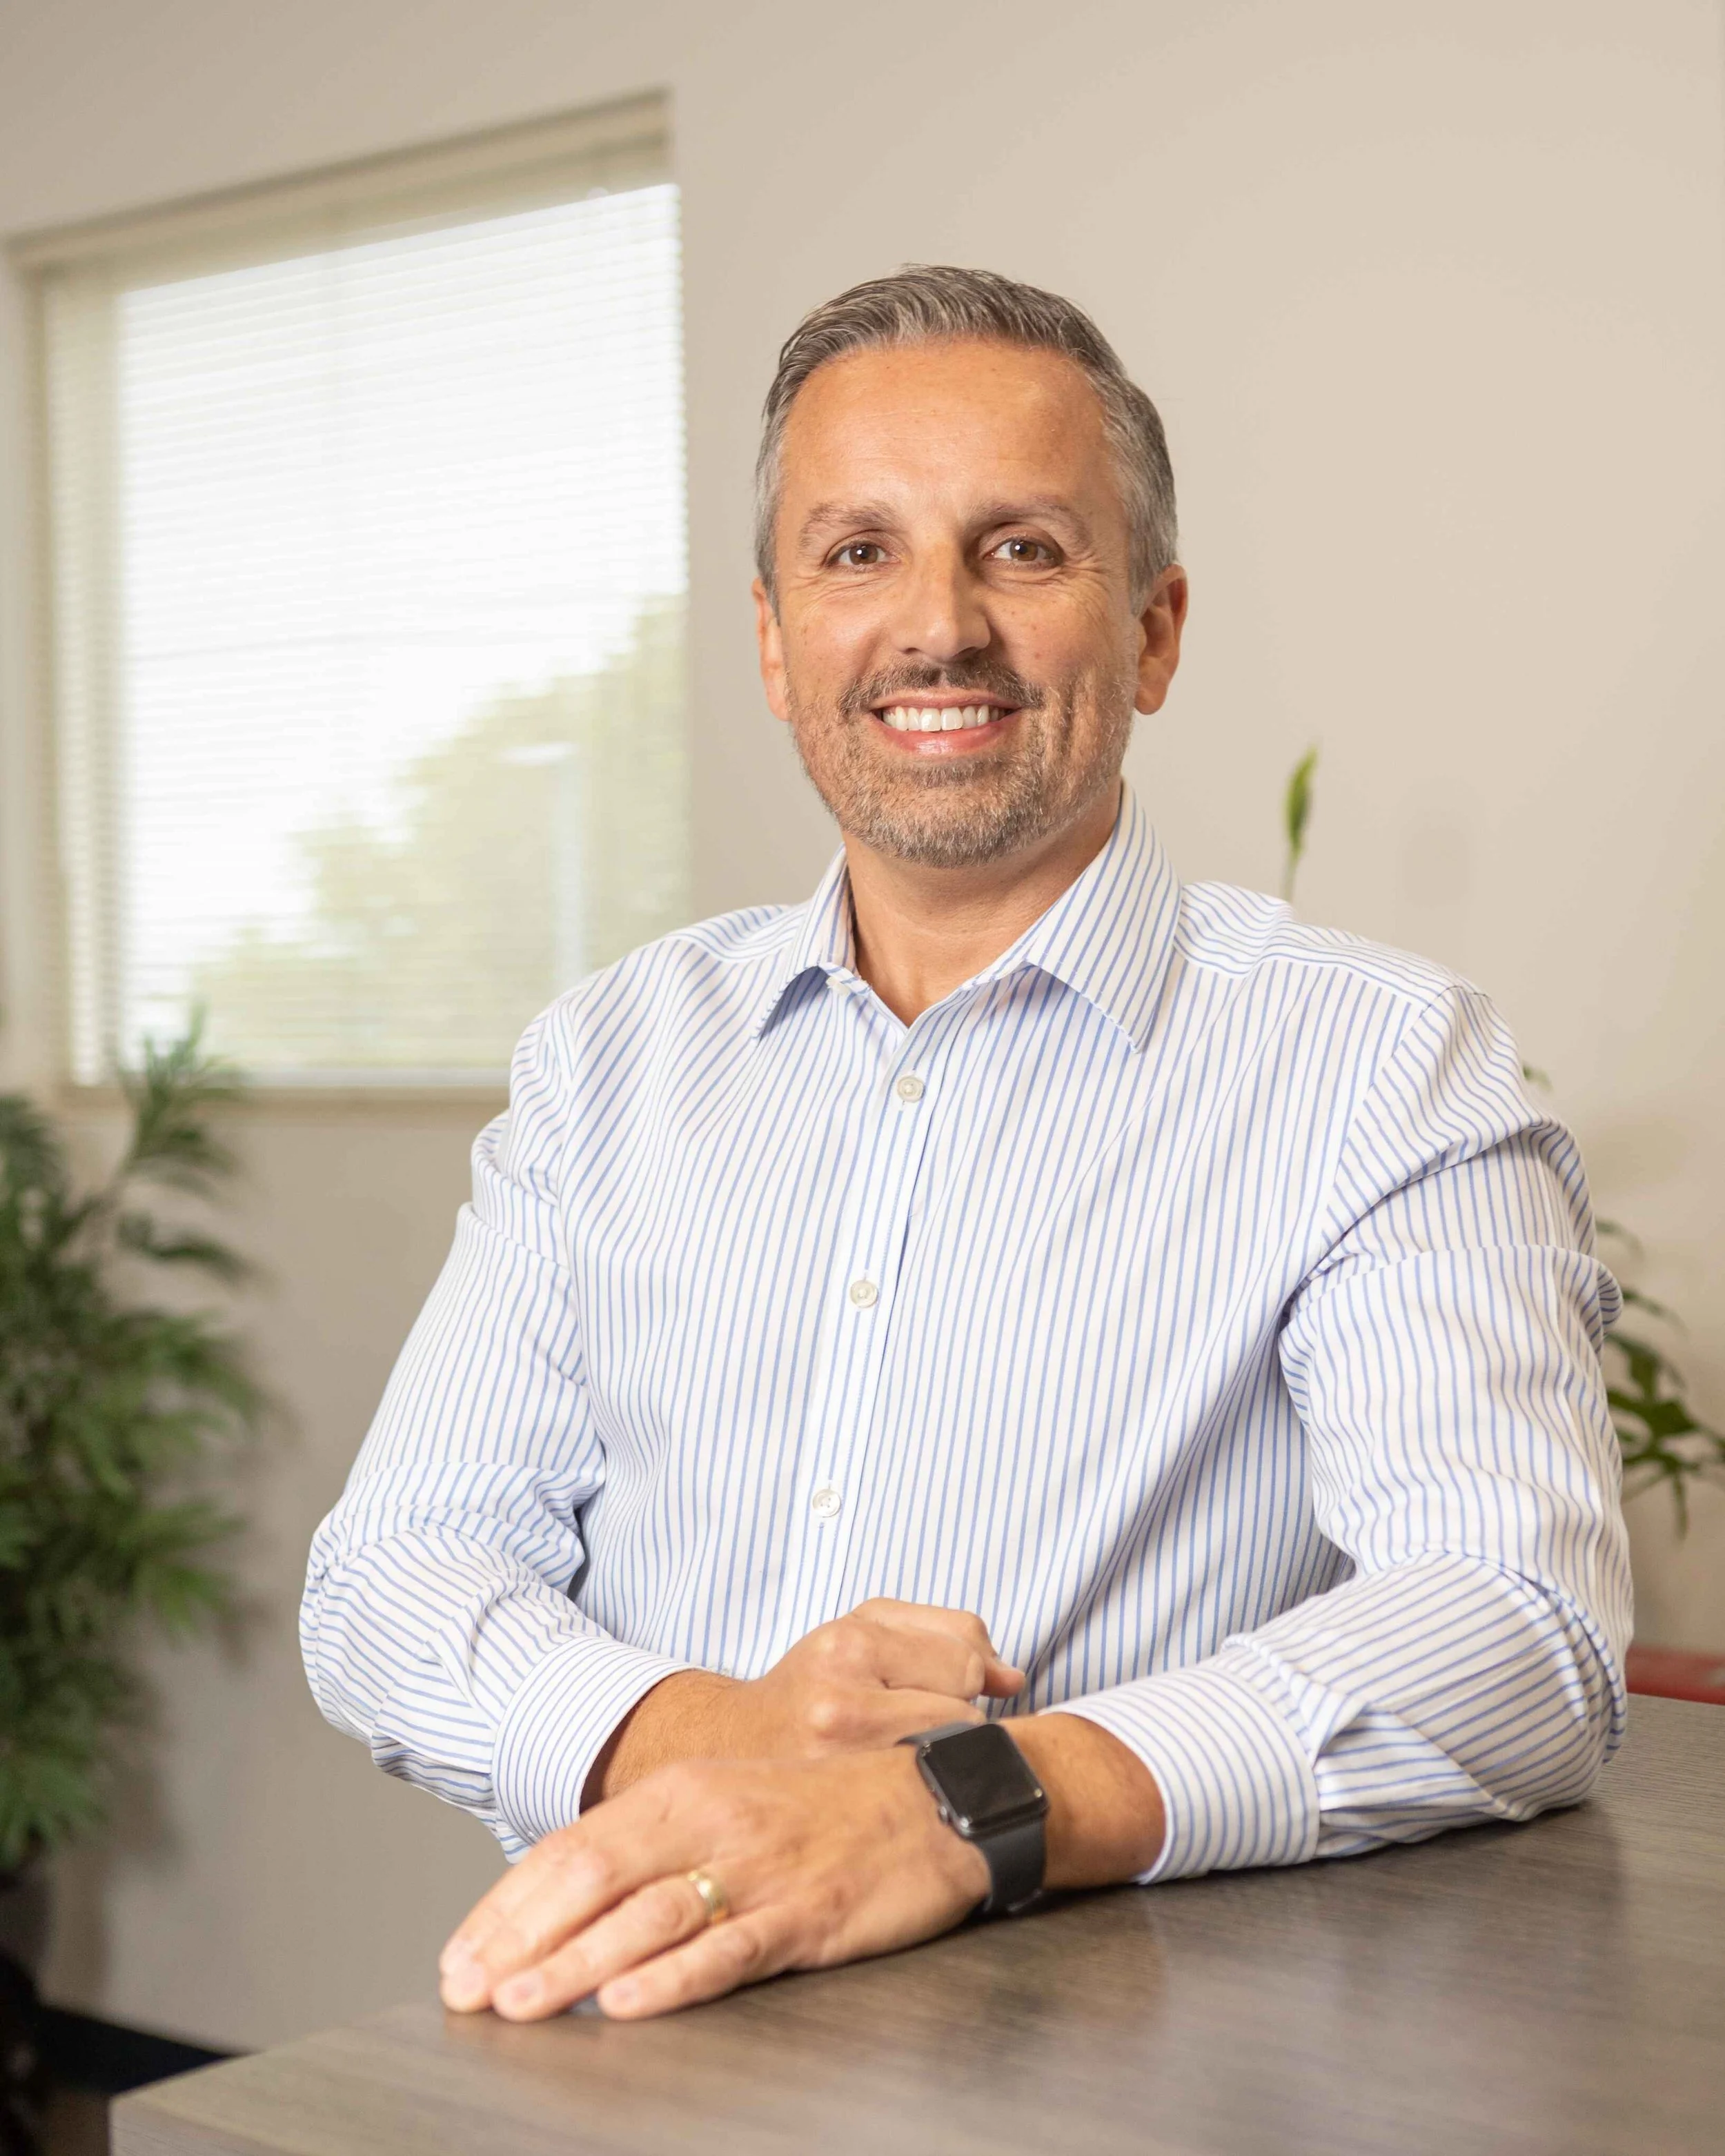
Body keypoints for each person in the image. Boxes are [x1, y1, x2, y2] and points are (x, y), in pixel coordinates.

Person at [300, 266, 1630, 2025]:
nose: (936, 626)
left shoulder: (1381, 1066)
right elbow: (389, 1572)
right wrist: (721, 1739)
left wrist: (953, 1809)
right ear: (775, 640)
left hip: (1124, 2079)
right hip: (628, 2039)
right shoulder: (606, 1063)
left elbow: (1511, 1627)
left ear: (1151, 629)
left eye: (1019, 548)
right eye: (857, 553)